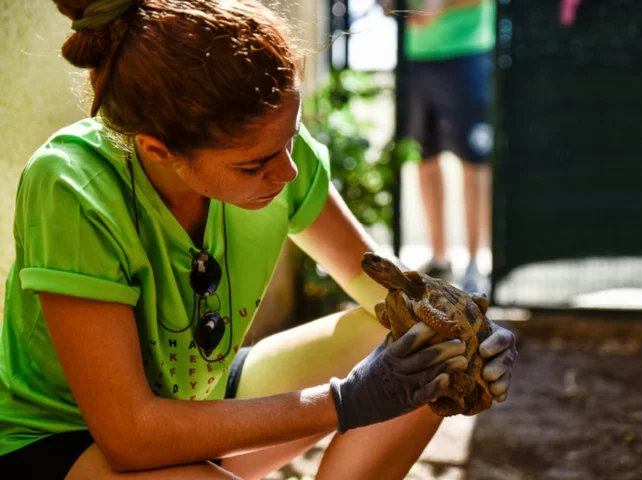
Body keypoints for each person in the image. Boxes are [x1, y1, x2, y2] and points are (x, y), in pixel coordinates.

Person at [0, 0, 518, 478]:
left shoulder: (272, 149)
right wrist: (346, 401)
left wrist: (472, 338)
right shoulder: (72, 185)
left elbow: (389, 293)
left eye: (290, 140)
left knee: (429, 350)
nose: (289, 172)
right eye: (253, 165)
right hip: (73, 443)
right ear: (159, 151)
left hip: (201, 404)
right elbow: (129, 435)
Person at [382, 0, 496, 293]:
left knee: (474, 160)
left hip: (468, 53)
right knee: (423, 158)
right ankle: (439, 260)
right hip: (413, 57)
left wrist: (439, 5)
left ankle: (476, 265)